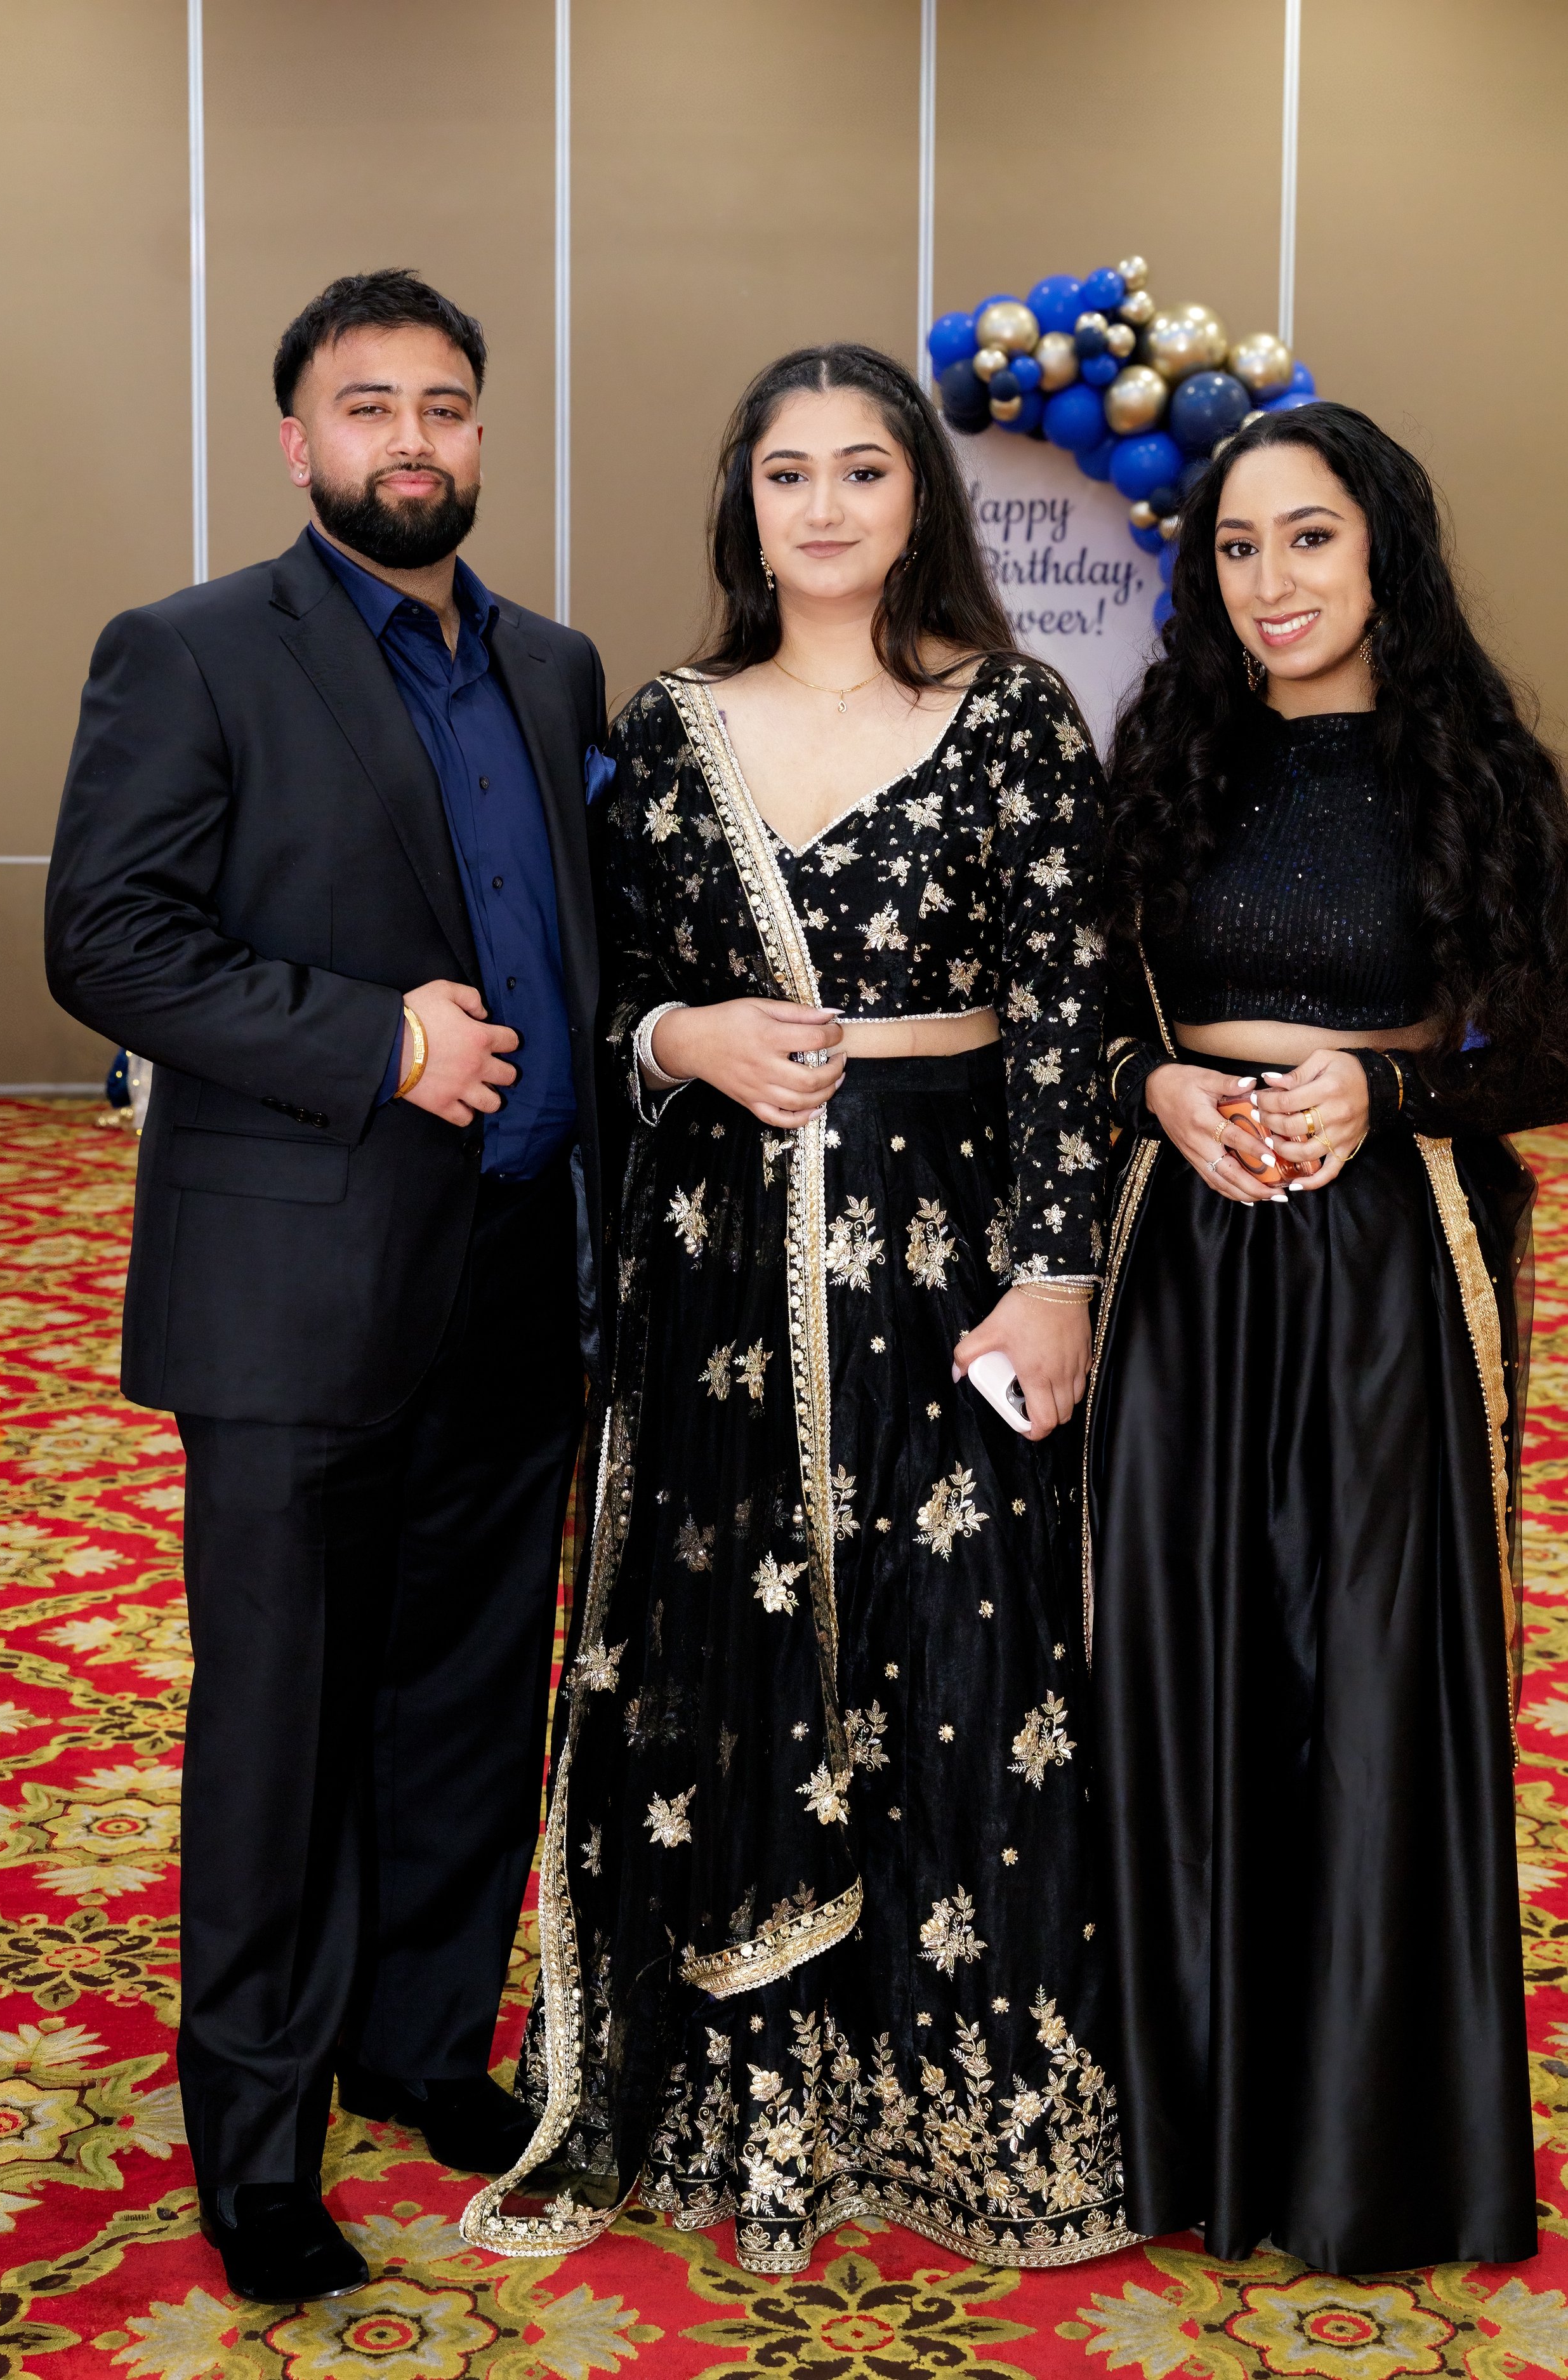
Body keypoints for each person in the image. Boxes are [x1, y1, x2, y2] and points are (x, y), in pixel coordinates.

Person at [461, 343, 1134, 2277]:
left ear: (918, 495)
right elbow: (595, 997)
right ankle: (735, 2101)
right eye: (785, 475)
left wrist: (1059, 1271)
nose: (824, 507)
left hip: (951, 1267)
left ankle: (956, 2114)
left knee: (963, 1661)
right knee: (728, 1655)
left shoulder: (1009, 719)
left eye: (861, 469)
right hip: (721, 1275)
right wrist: (688, 1029)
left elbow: (1071, 1020)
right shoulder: (665, 729)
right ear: (742, 507)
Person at [46, 270, 609, 2303]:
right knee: (282, 1721)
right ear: (297, 442)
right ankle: (258, 2138)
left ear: (479, 436)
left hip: (519, 1270)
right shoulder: (193, 653)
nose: (412, 441)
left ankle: (417, 2040)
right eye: (367, 407)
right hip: (298, 1283)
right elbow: (107, 939)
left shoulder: (552, 670)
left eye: (445, 406)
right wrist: (377, 1040)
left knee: (467, 1691)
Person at [1090, 399, 1568, 2271]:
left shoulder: (1479, 769)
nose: (1270, 581)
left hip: (1384, 1270)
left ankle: (1365, 2148)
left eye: (1306, 538)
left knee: (1362, 1681)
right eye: (1233, 546)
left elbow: (1547, 1043)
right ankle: (1185, 2135)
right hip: (1183, 1273)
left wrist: (1399, 1105)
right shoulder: (1166, 760)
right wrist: (1153, 1091)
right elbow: (1081, 1017)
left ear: (1382, 548)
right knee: (1179, 1670)